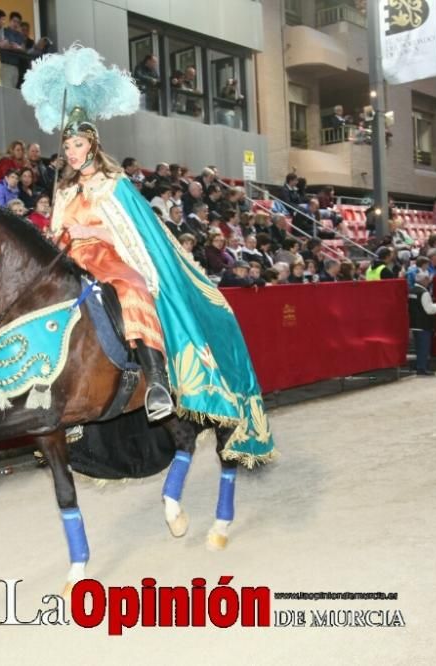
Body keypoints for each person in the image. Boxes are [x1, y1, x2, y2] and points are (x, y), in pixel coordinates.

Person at [29, 47, 275, 463]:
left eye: (77, 143)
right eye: (67, 145)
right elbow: (56, 233)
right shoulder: (63, 190)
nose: (70, 151)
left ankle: (158, 381)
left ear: (92, 144)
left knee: (132, 289)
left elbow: (132, 231)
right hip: (71, 261)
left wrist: (88, 229)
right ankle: (44, 387)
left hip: (109, 257)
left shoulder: (114, 183)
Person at [408, 271, 436, 377]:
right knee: (423, 348)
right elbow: (429, 310)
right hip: (423, 324)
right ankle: (422, 368)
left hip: (414, 323)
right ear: (424, 280)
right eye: (428, 279)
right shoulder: (424, 292)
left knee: (418, 348)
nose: (429, 281)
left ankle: (420, 367)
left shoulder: (411, 290)